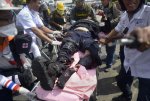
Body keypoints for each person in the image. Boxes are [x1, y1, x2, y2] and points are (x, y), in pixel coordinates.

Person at [99, 0, 150, 101]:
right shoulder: (125, 15)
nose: (130, 1)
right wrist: (107, 38)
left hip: (147, 68)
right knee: (121, 81)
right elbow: (118, 29)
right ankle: (127, 96)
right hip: (129, 62)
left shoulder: (148, 12)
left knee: (143, 98)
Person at [31, 19, 102, 91]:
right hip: (86, 35)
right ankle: (72, 69)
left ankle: (54, 69)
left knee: (67, 49)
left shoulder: (76, 23)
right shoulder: (93, 23)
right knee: (91, 53)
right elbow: (98, 34)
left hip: (74, 33)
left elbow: (67, 30)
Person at [0, 0, 35, 100]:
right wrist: (18, 88)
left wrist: (24, 62)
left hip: (16, 71)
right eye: (4, 18)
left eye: (10, 17)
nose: (9, 21)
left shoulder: (13, 36)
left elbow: (20, 53)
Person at [98, 0, 120, 72]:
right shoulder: (103, 7)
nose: (102, 1)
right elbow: (104, 18)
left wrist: (111, 22)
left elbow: (120, 17)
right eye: (101, 0)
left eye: (103, 0)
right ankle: (108, 58)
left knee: (111, 48)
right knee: (107, 46)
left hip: (112, 31)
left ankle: (109, 64)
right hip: (105, 30)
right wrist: (102, 16)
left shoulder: (114, 7)